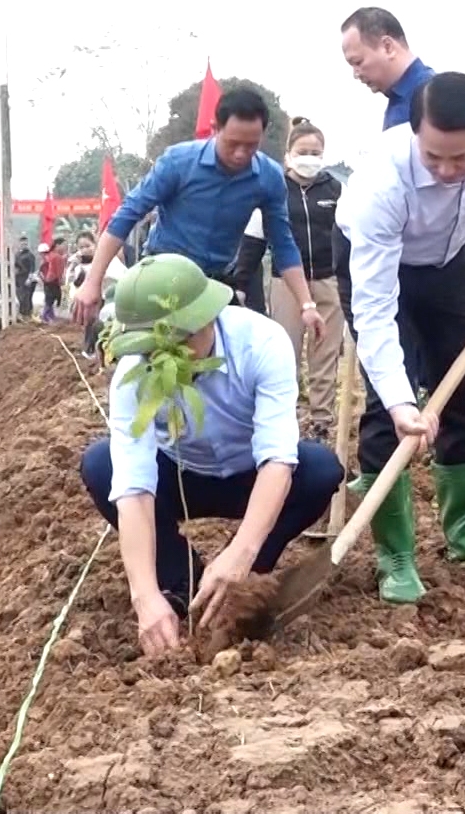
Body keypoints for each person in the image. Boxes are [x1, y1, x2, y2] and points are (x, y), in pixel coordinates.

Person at [335, 71, 465, 604]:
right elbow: (377, 309)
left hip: (449, 258)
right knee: (389, 410)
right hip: (381, 264)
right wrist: (405, 401)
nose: (449, 170)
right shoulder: (382, 187)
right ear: (415, 134)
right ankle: (396, 555)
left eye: (462, 159)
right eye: (435, 158)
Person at [78, 255, 343, 657]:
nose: (173, 356)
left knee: (320, 469)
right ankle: (182, 579)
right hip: (179, 474)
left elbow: (276, 460)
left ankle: (251, 578)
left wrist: (240, 552)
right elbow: (134, 487)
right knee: (101, 465)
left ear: (208, 318)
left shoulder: (262, 343)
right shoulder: (134, 377)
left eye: (183, 340)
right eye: (156, 348)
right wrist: (144, 595)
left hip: (248, 472)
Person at [76, 83, 326, 345]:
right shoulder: (178, 162)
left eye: (251, 145)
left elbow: (283, 243)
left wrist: (306, 304)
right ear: (215, 129)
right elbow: (127, 216)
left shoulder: (268, 177)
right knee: (152, 354)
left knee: (227, 356)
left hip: (215, 282)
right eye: (232, 143)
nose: (241, 154)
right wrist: (93, 282)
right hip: (164, 273)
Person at [234, 117, 347, 439]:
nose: (309, 158)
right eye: (303, 151)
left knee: (325, 355)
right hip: (287, 284)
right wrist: (240, 283)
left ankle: (322, 421)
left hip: (330, 280)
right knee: (286, 352)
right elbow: (254, 240)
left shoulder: (337, 190)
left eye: (316, 152)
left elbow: (352, 235)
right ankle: (288, 419)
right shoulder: (273, 190)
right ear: (288, 154)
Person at [341, 7, 435, 130]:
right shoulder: (400, 98)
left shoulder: (432, 99)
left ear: (387, 47)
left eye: (358, 62)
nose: (356, 74)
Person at [38, 238, 67, 323]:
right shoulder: (56, 257)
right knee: (51, 299)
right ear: (57, 245)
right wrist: (58, 280)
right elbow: (55, 271)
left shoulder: (51, 256)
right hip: (52, 282)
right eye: (64, 245)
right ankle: (45, 316)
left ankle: (50, 316)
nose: (65, 247)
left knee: (50, 299)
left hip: (49, 282)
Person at [12, 234, 36, 319]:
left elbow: (33, 268)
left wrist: (30, 279)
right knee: (20, 297)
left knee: (27, 297)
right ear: (19, 244)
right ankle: (22, 314)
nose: (23, 245)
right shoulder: (17, 254)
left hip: (27, 279)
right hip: (18, 279)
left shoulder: (30, 255)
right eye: (22, 244)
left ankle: (28, 314)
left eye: (25, 244)